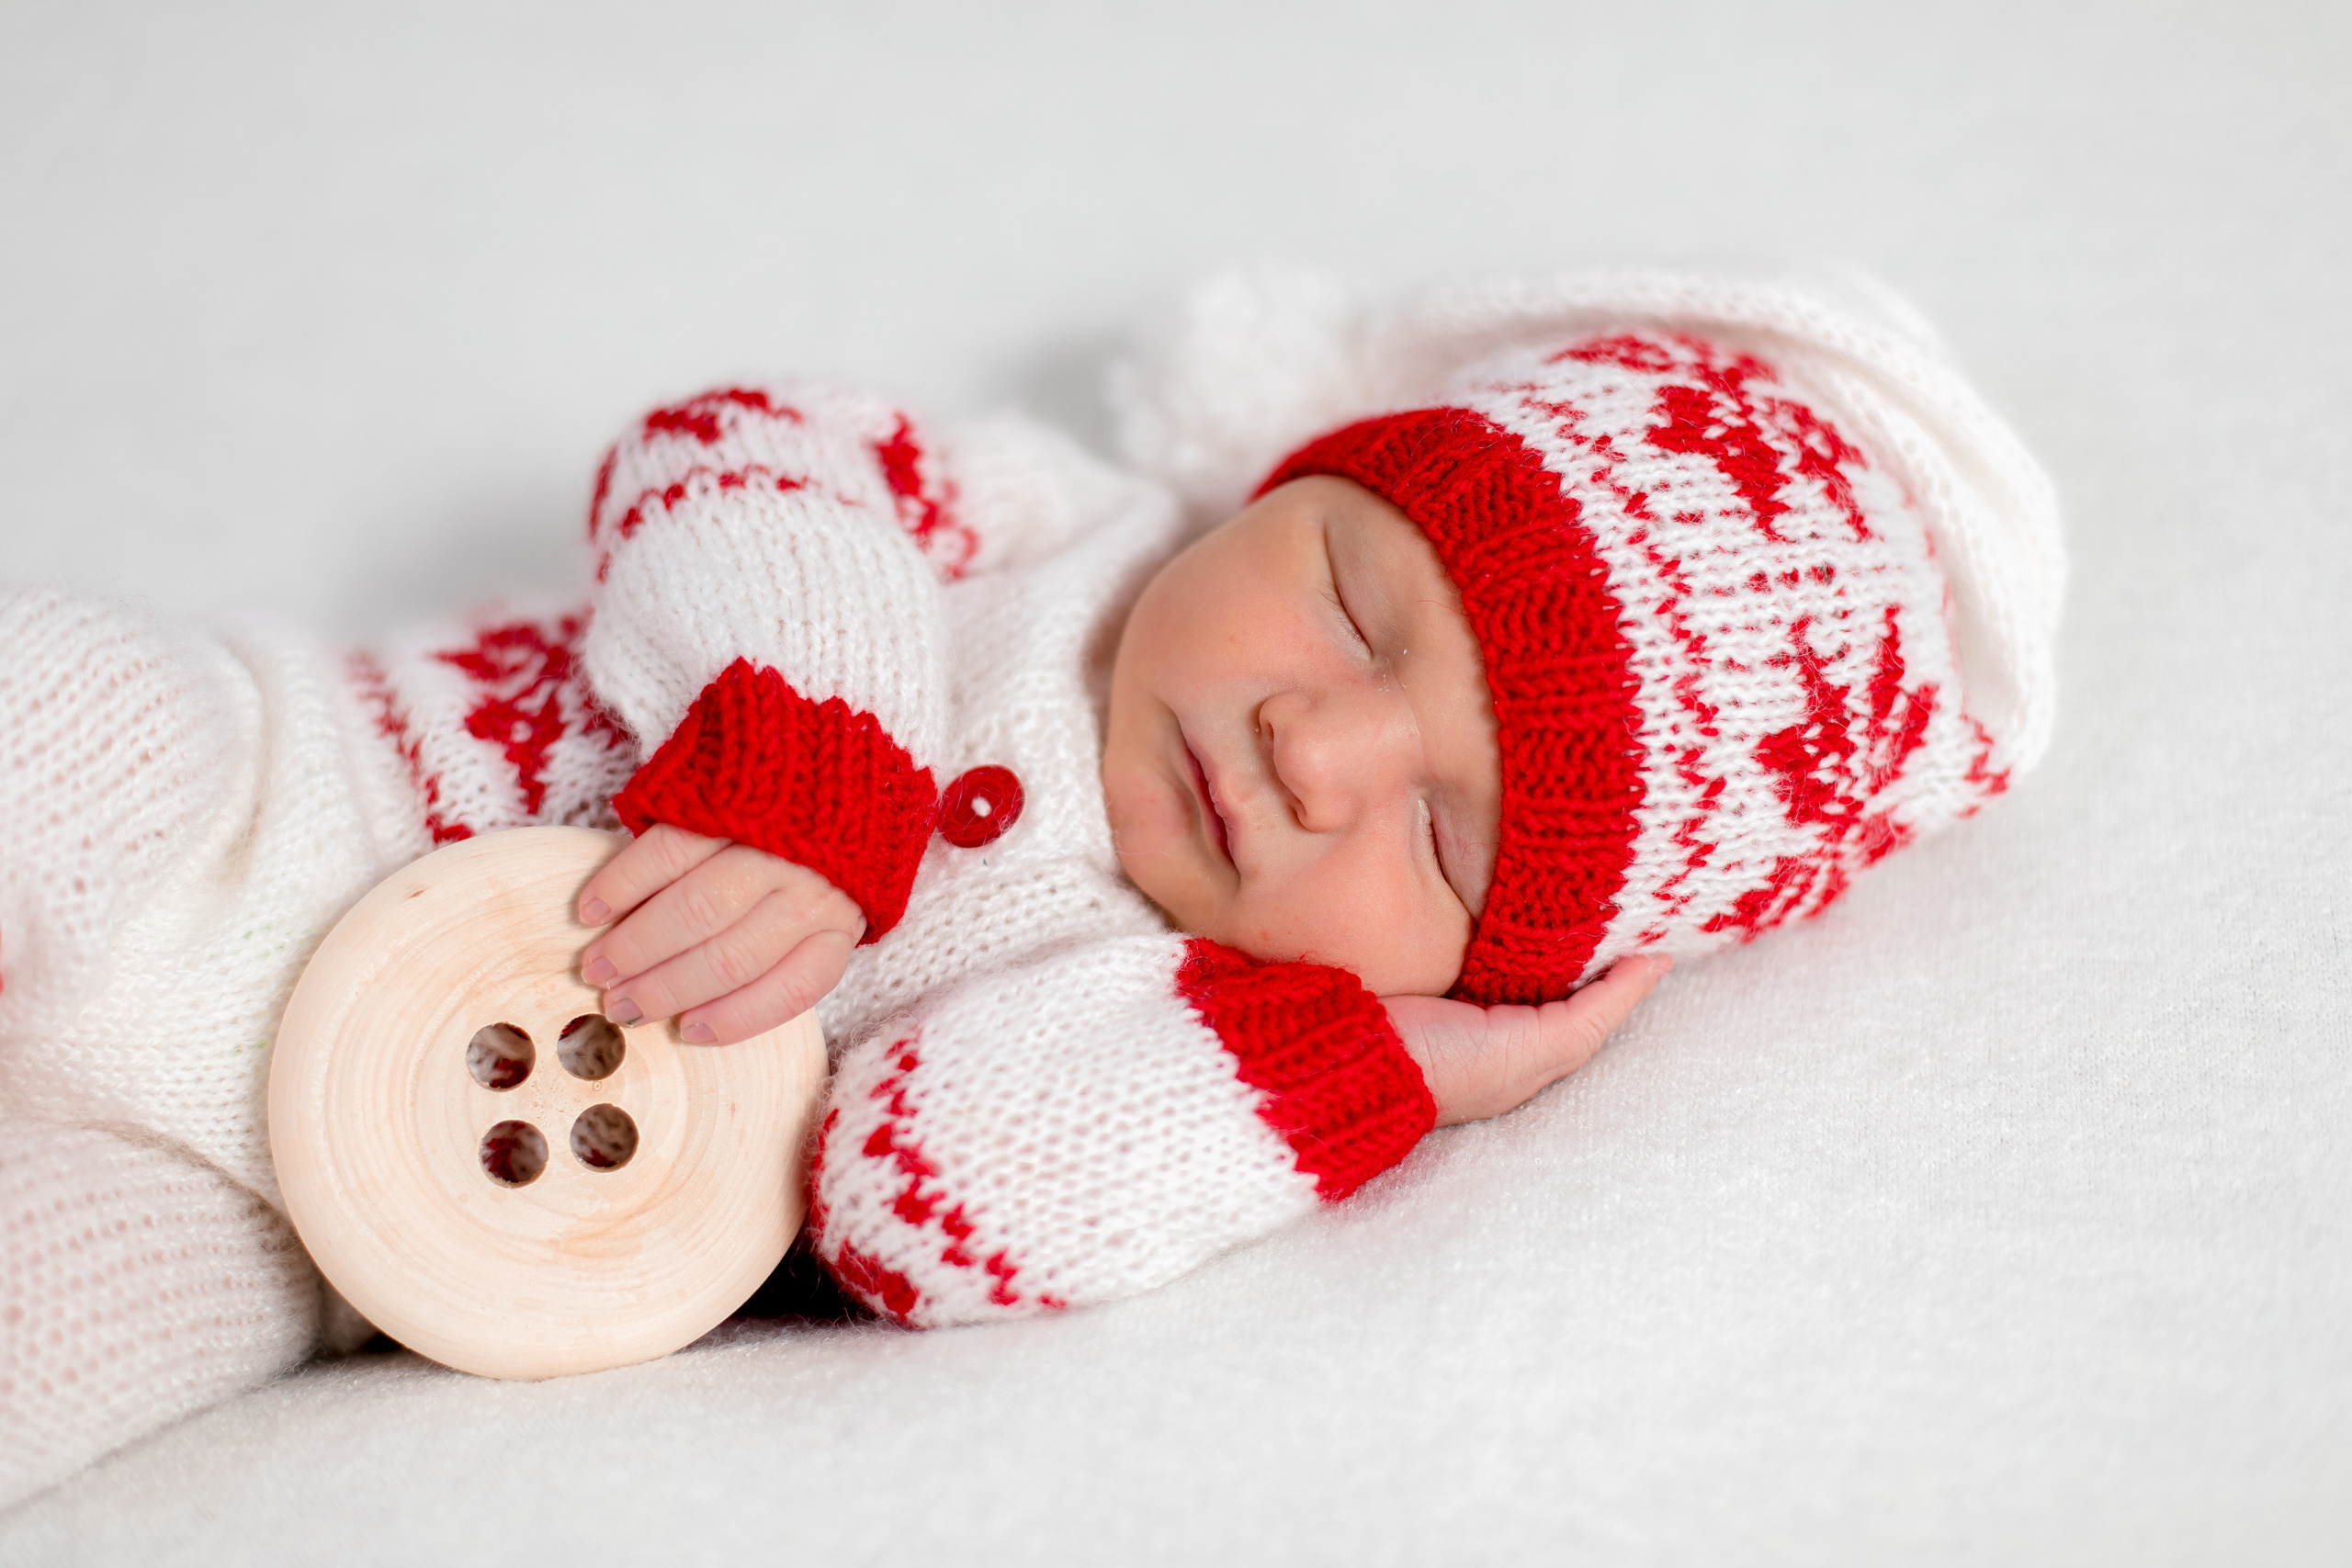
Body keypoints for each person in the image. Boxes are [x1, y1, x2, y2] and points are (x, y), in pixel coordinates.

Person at [0, 268, 2063, 1502]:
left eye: (1442, 839)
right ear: (1300, 473)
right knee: (52, 713)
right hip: (276, 786)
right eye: (1355, 610)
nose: (1316, 751)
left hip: (307, 1216)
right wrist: (811, 748)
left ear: (1489, 965)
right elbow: (726, 448)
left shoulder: (1171, 1015)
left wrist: (1361, 1071)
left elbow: (909, 1197)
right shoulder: (1052, 525)